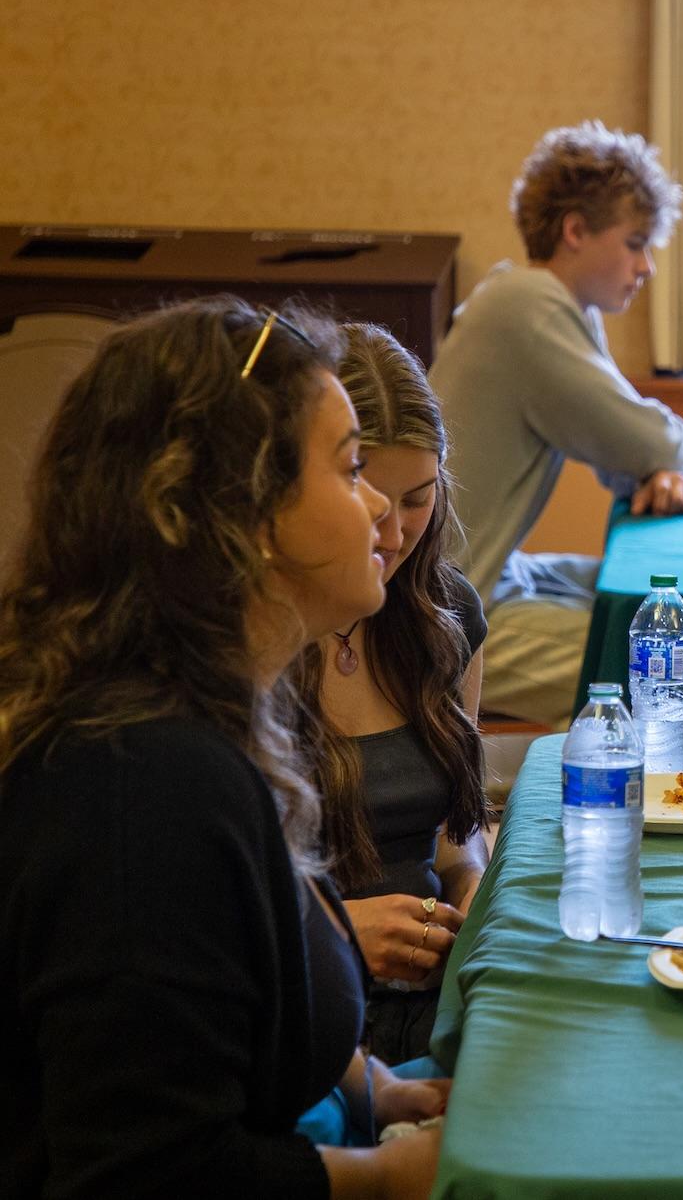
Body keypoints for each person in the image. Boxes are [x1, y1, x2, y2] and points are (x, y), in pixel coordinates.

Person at [0, 299, 449, 1196]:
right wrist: (386, 1177)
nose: (380, 512)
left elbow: (246, 1000)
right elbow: (153, 1174)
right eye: (351, 467)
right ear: (236, 512)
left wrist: (385, 1091)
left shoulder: (221, 713)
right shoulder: (142, 784)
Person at [432, 120, 683, 727]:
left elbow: (624, 454)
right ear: (576, 231)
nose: (646, 268)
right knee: (670, 661)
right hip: (450, 612)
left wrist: (656, 465)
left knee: (664, 602)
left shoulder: (544, 304)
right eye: (635, 243)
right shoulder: (529, 308)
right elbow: (651, 440)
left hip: (492, 576)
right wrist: (675, 458)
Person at [297, 323, 489, 1064]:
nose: (398, 530)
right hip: (314, 1004)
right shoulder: (257, 634)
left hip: (431, 986)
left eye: (420, 497)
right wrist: (341, 928)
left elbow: (453, 836)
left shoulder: (446, 615)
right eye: (373, 496)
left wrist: (470, 885)